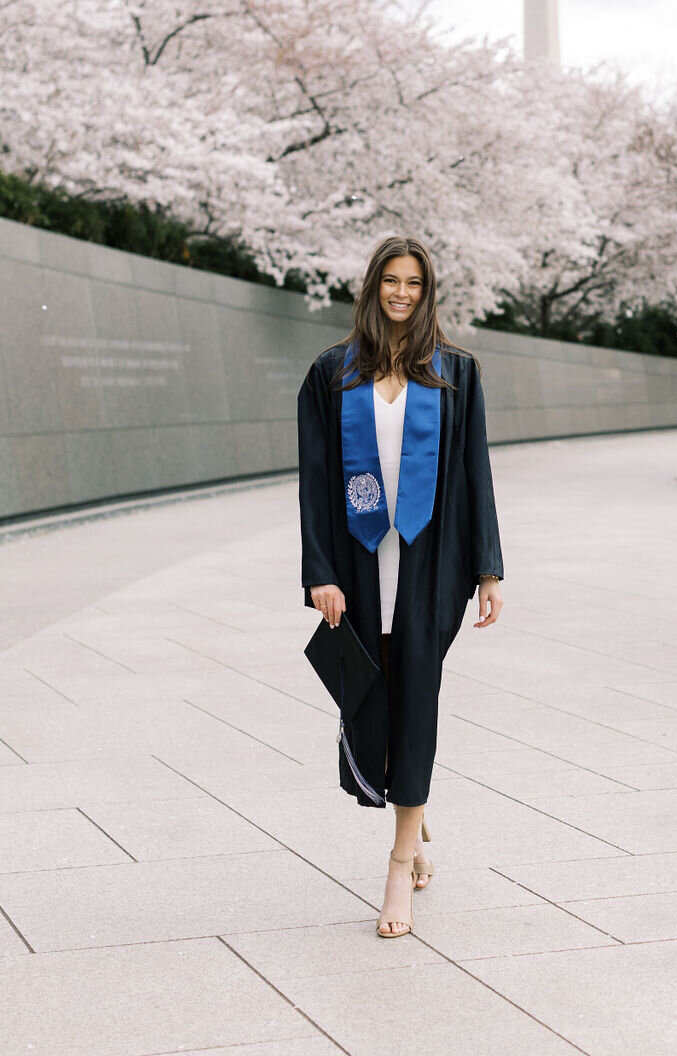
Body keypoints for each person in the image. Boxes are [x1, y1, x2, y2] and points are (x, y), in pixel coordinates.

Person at [297, 234, 504, 938]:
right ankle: (417, 826)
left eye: (414, 282)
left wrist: (489, 569)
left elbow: (476, 473)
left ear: (428, 290)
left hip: (427, 567)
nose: (402, 292)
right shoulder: (332, 374)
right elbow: (317, 485)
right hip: (358, 568)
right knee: (374, 711)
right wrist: (319, 572)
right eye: (391, 279)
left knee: (417, 695)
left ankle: (397, 864)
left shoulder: (456, 374)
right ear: (372, 286)